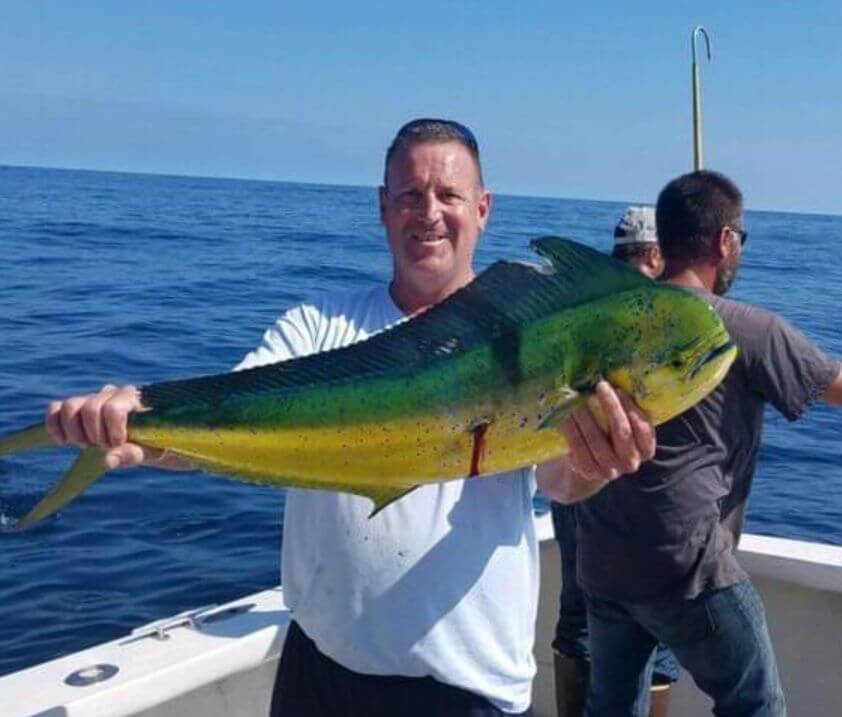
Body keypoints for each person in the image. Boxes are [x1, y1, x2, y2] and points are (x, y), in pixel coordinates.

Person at [42, 118, 654, 716]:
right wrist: (137, 429)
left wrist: (595, 465)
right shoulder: (317, 329)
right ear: (383, 208)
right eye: (410, 196)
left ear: (484, 208)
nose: (429, 212)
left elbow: (558, 481)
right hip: (320, 669)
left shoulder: (526, 342)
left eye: (449, 195)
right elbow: (231, 423)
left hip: (464, 683)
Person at [548, 170, 842, 717]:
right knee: (757, 706)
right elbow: (837, 388)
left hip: (604, 562)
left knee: (611, 708)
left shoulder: (612, 327)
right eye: (741, 241)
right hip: (687, 569)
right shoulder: (749, 328)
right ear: (724, 240)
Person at [550, 205, 678, 717]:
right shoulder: (660, 316)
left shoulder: (585, 308)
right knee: (657, 623)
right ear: (654, 255)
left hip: (571, 484)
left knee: (578, 616)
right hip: (628, 497)